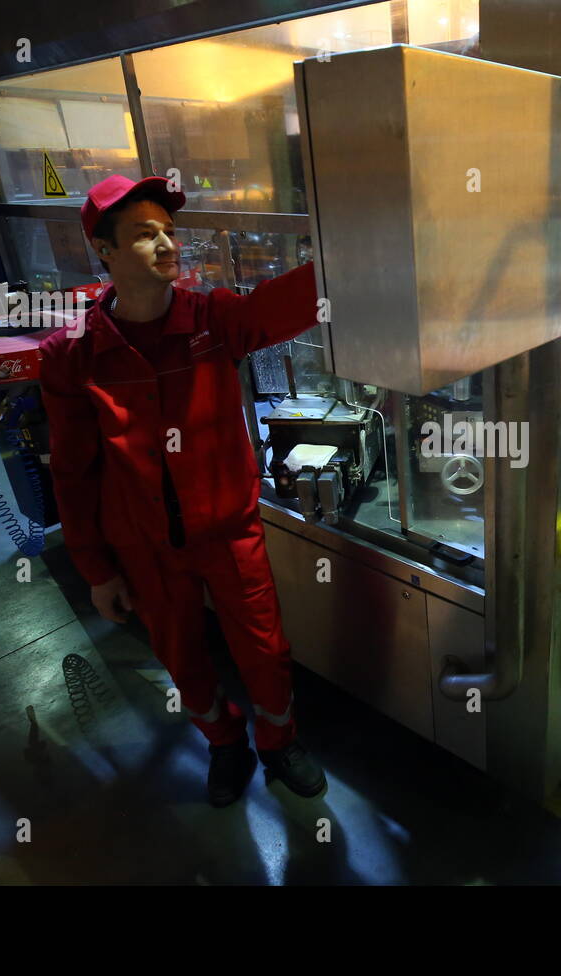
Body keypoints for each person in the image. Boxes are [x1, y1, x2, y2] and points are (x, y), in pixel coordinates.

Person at [39, 173, 326, 806]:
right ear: (105, 253)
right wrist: (97, 569)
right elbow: (73, 471)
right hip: (143, 546)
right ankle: (225, 744)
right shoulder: (75, 354)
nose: (167, 244)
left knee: (264, 649)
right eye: (145, 235)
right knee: (181, 658)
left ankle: (280, 744)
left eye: (170, 232)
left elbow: (290, 302)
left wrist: (359, 238)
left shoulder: (214, 319)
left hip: (228, 531)